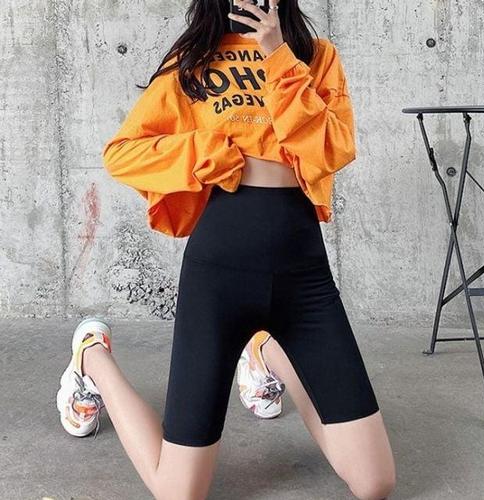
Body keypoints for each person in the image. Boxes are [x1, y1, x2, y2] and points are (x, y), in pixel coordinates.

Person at [56, 0, 397, 498]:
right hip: (218, 275)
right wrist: (207, 151)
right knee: (179, 493)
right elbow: (122, 152)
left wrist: (277, 53)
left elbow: (332, 148)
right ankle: (91, 358)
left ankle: (266, 352)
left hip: (304, 276)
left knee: (375, 483)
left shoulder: (315, 55)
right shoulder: (193, 59)